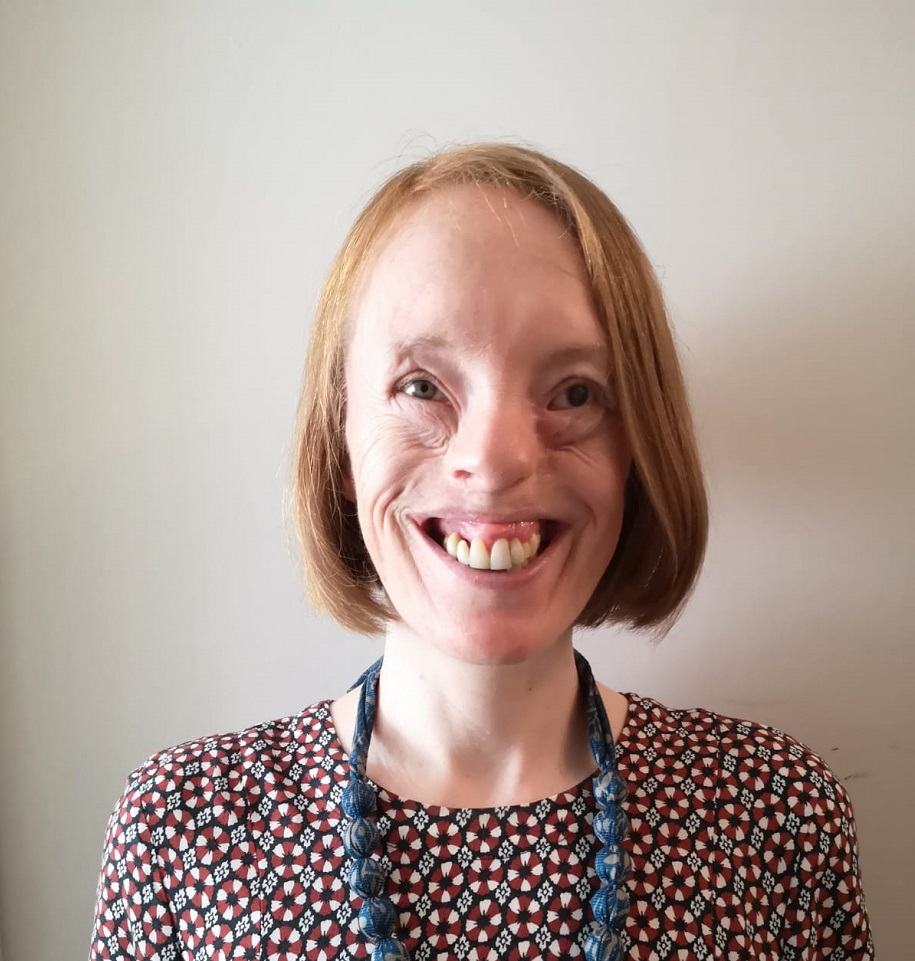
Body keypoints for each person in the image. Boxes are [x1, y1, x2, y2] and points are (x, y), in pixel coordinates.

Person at [90, 143, 873, 960]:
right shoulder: (180, 826)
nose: (494, 460)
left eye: (575, 393)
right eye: (422, 386)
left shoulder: (776, 815)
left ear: (636, 451)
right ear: (340, 437)